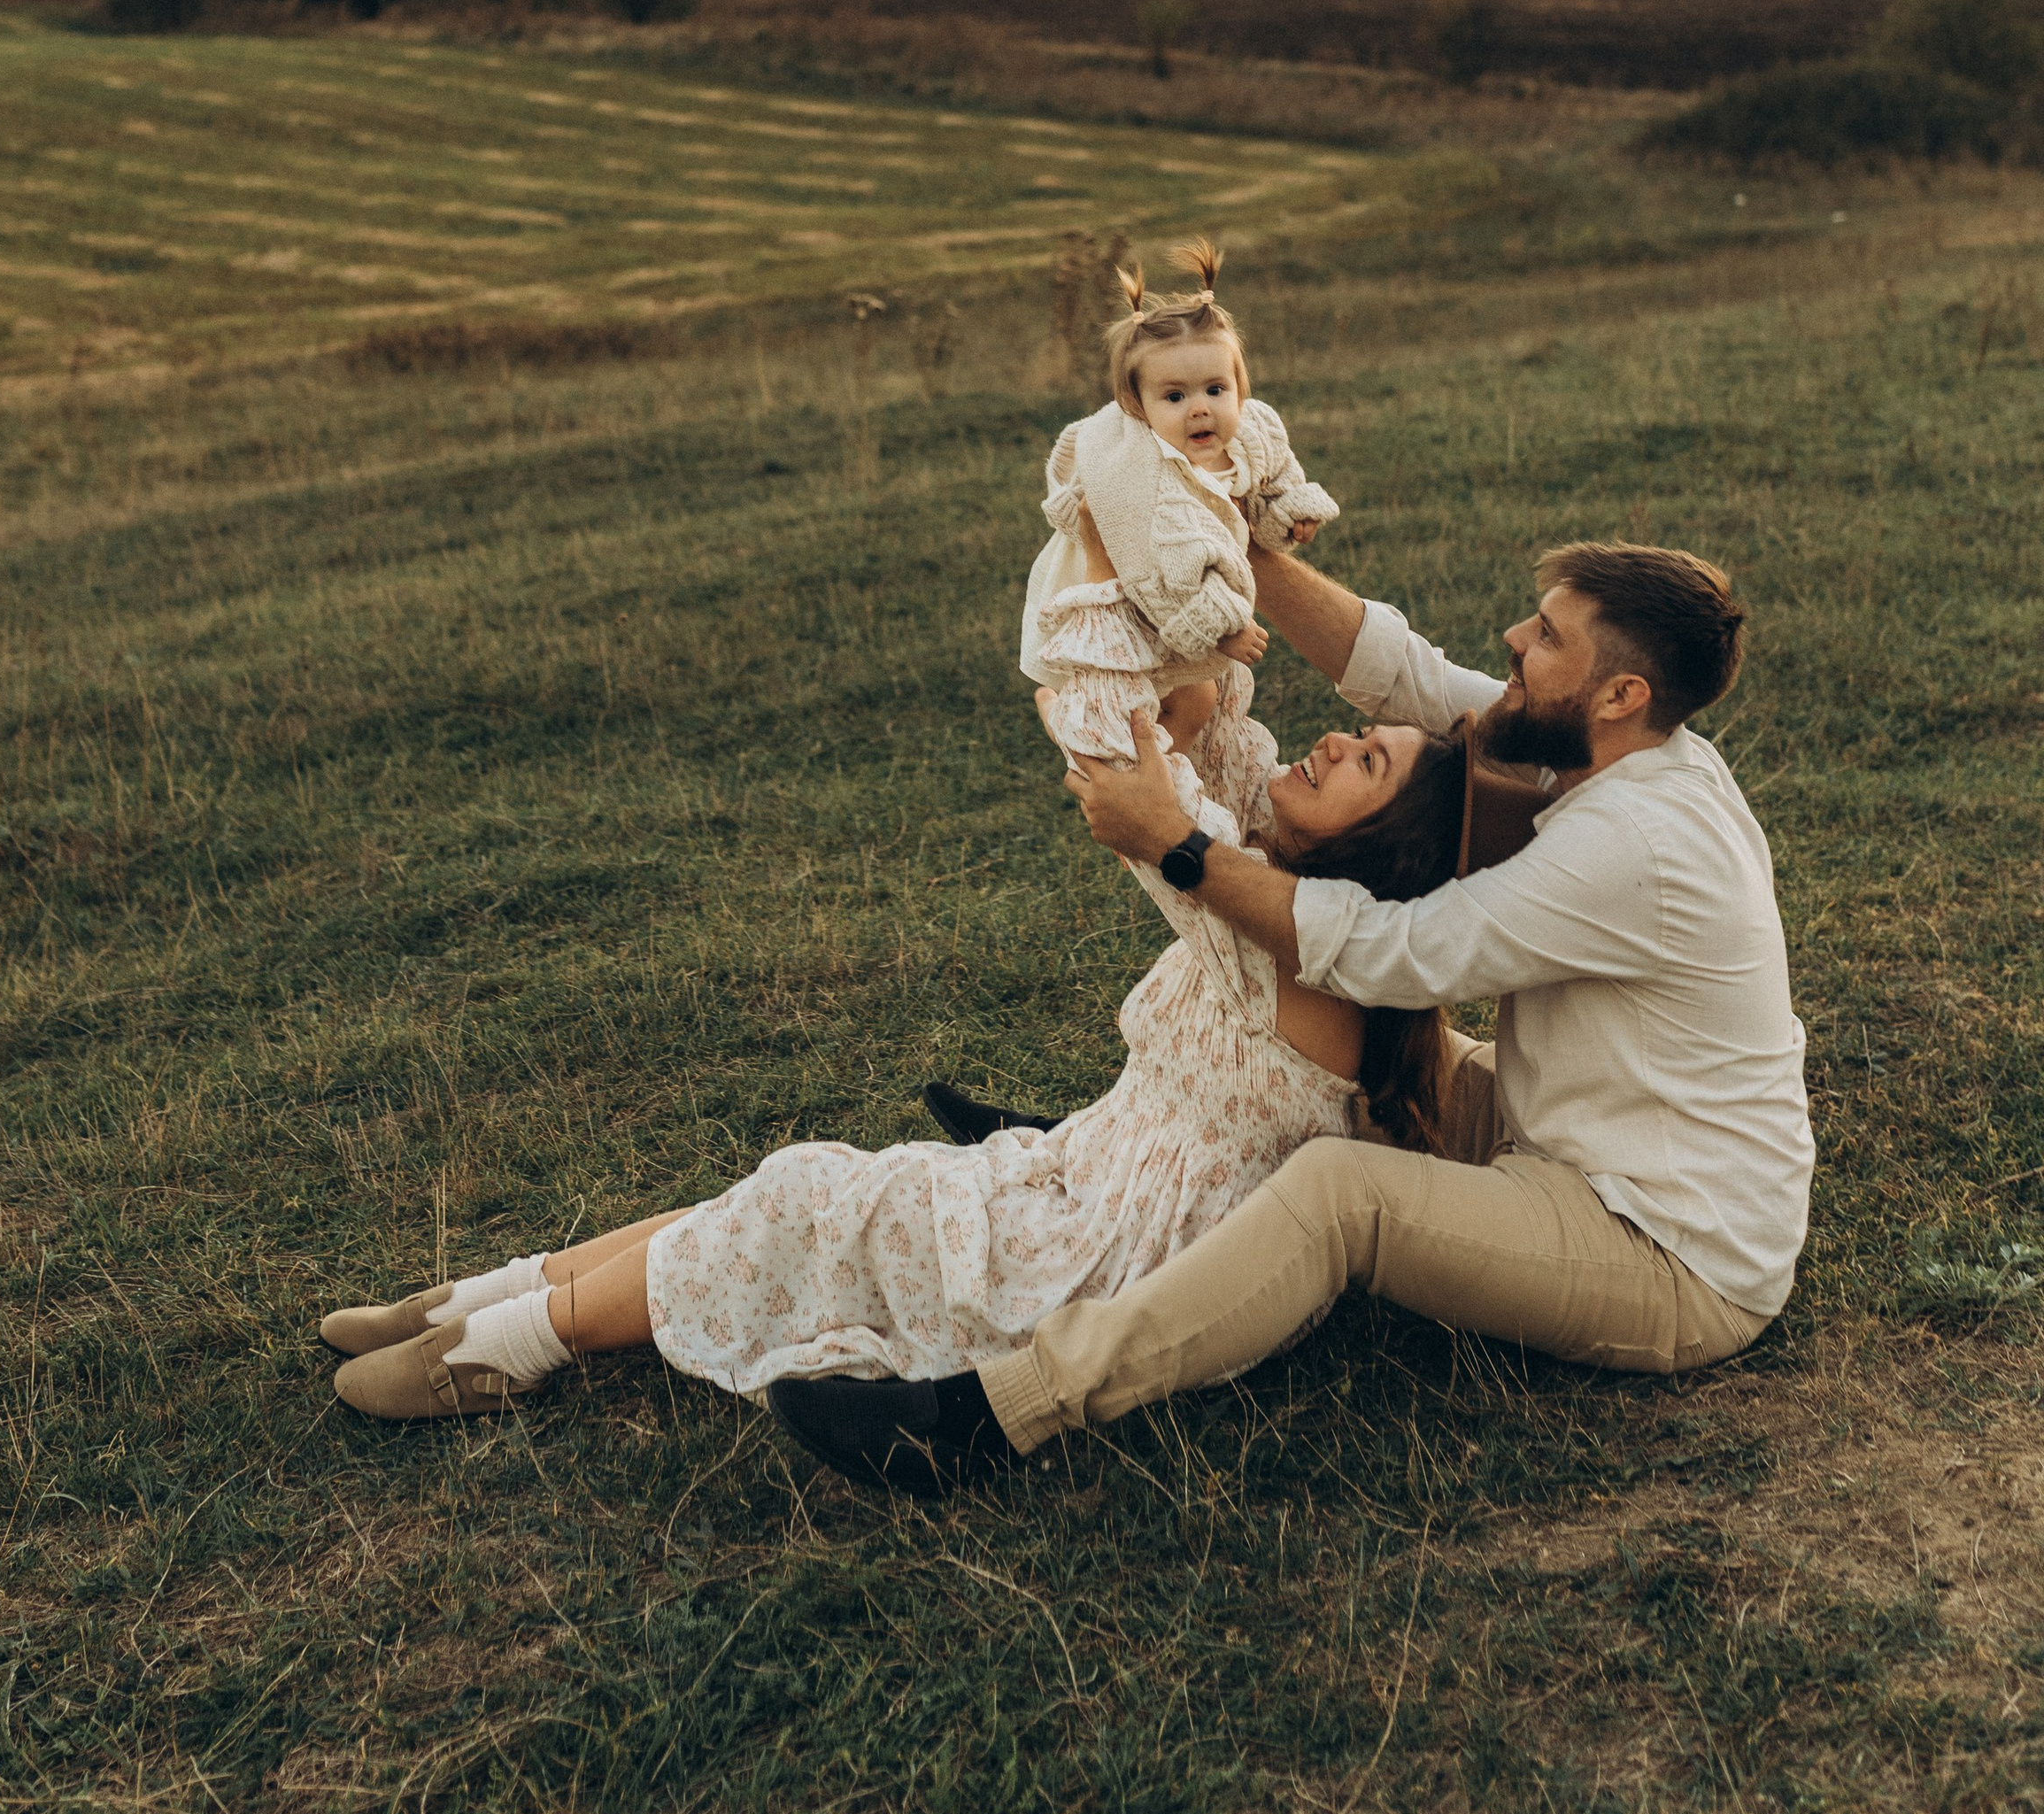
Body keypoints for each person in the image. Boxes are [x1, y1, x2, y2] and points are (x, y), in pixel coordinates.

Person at [766, 536, 1814, 1498]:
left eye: (1545, 637)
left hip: (1667, 1244)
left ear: (1620, 690)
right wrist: (1236, 547)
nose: (1513, 640)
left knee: (1341, 1195)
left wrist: (1179, 845)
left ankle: (988, 1418)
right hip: (1579, 1126)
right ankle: (1104, 1159)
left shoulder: (1636, 840)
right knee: (1369, 1058)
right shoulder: (1607, 745)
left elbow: (1393, 955)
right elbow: (1398, 672)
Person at [315, 680, 1476, 1424]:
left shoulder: (1302, 956)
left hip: (1101, 1262)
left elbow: (1144, 799)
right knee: (791, 1194)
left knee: (807, 1194)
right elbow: (1191, 765)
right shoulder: (1277, 910)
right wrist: (1203, 647)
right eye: (1360, 735)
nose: (1336, 741)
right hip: (1068, 1184)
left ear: (1381, 857)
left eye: (1367, 762)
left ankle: (510, 1349)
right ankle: (499, 1290)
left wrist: (1149, 722)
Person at [1025, 237, 1335, 830]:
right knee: (1182, 698)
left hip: (1165, 590)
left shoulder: (1247, 432)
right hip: (1124, 587)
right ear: (1136, 405)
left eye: (1216, 390)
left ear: (1239, 386)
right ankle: (1125, 778)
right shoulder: (1148, 480)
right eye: (1175, 396)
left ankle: (1166, 767)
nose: (1200, 409)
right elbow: (1175, 562)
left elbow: (1271, 474)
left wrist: (1288, 512)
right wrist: (1223, 631)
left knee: (1200, 698)